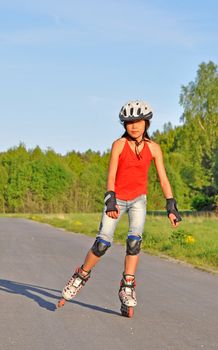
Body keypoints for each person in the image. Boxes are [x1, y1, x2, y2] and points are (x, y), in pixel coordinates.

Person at [58, 100, 182, 317]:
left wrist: (171, 205)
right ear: (124, 124)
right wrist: (110, 199)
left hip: (138, 200)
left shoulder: (154, 148)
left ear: (146, 123)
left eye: (138, 122)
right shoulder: (119, 145)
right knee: (103, 243)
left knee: (135, 241)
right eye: (129, 122)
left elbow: (163, 178)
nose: (133, 126)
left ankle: (127, 286)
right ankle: (80, 276)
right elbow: (112, 174)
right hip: (117, 199)